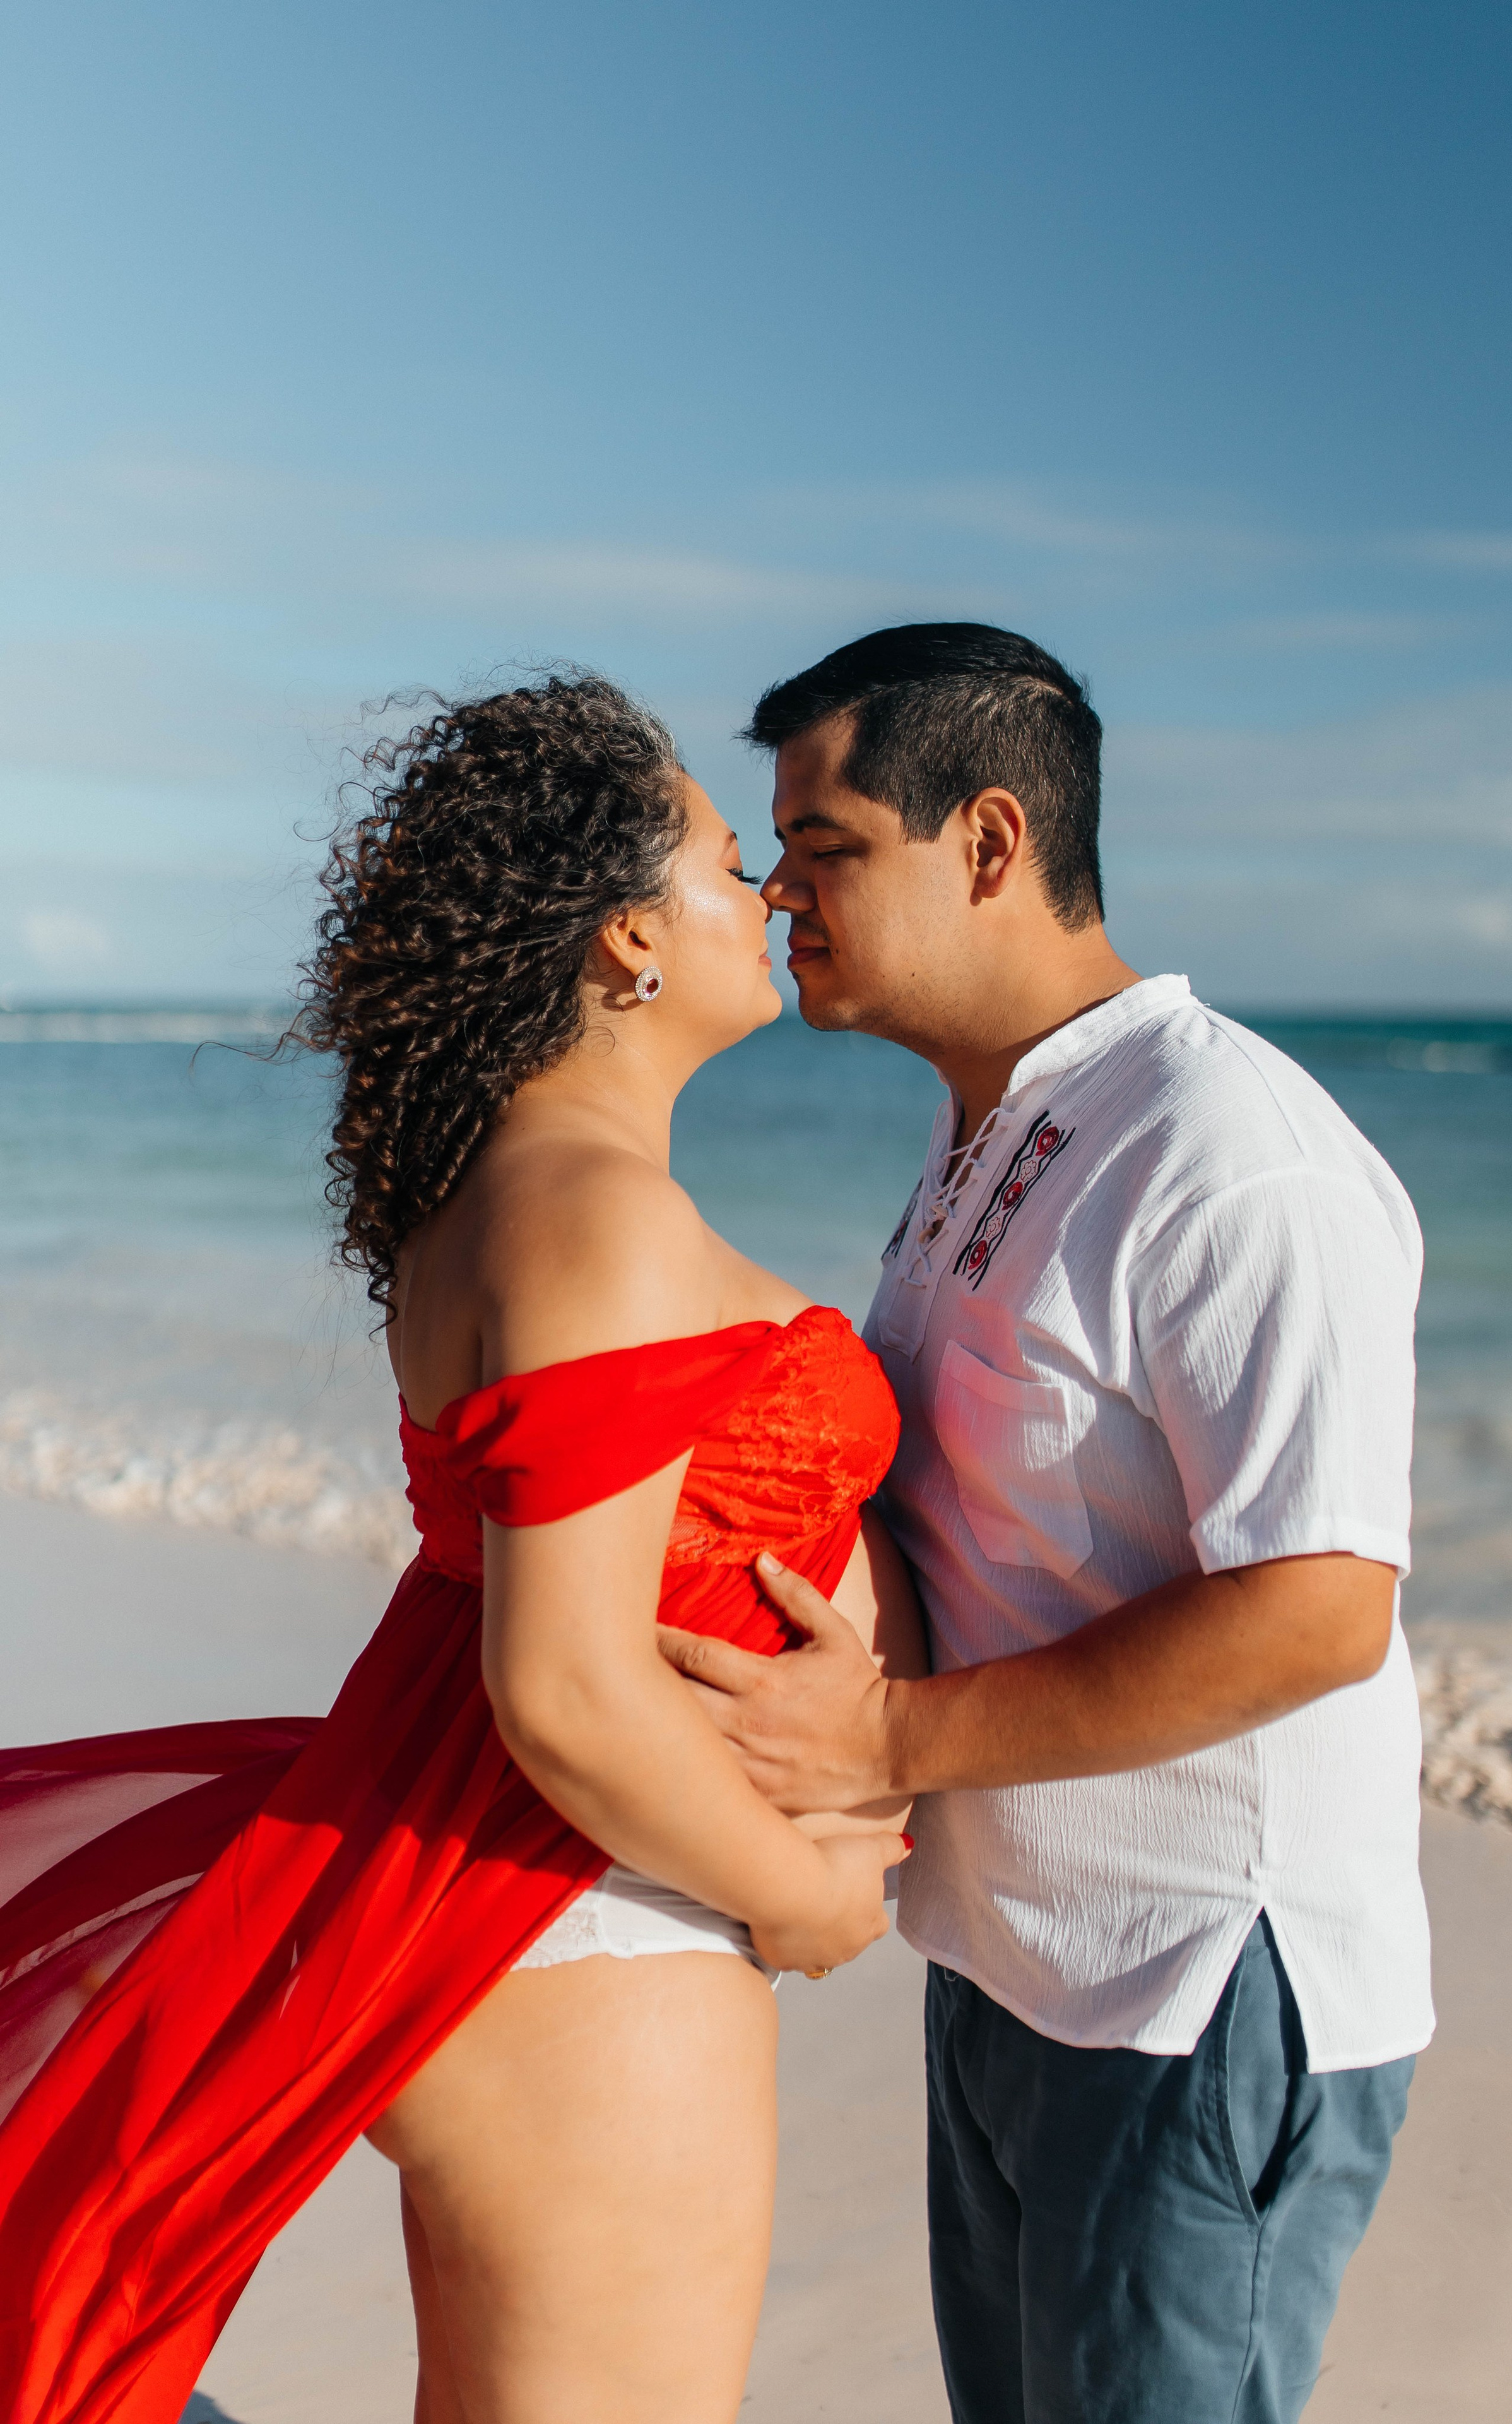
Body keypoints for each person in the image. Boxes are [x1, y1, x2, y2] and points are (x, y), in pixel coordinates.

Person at [0, 671, 922, 2424]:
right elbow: (564, 1684)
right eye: (732, 867)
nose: (768, 895)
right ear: (629, 937)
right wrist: (803, 1893)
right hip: (590, 1910)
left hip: (530, 1895)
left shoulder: (515, 1194)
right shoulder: (597, 1215)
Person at [659, 622, 1434, 2424]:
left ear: (990, 842)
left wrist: (890, 1735)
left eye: (828, 846)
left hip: (1198, 1992)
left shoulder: (1230, 1150)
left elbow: (1321, 1603)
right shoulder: (995, 1129)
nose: (779, 894)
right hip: (1012, 1965)